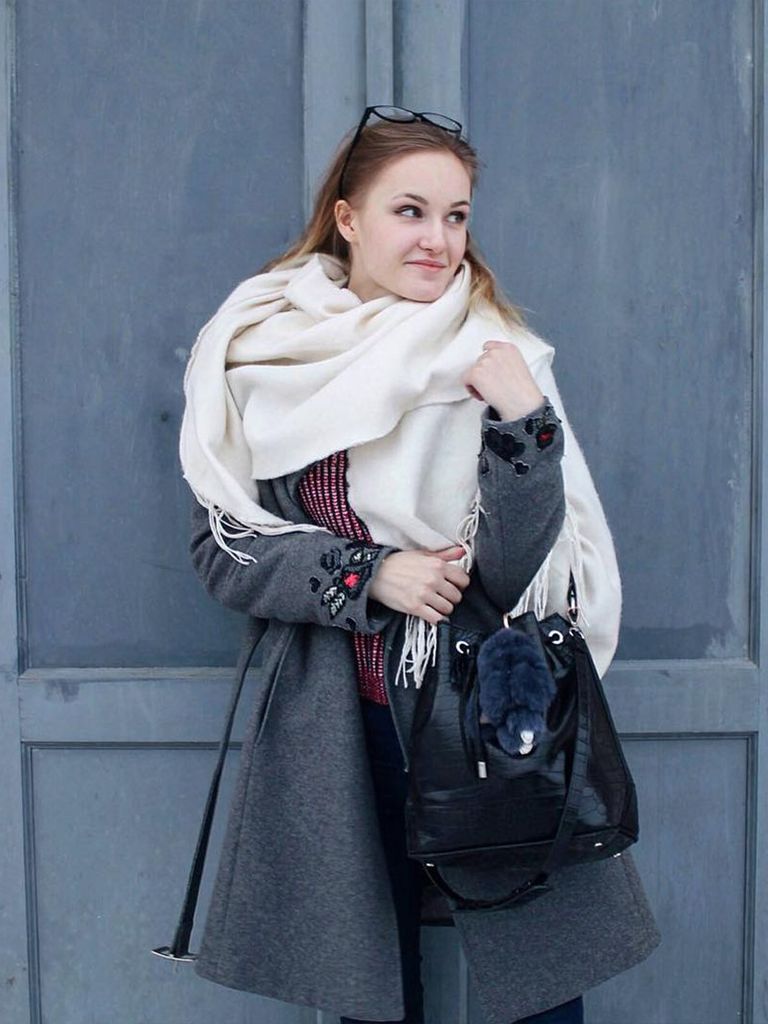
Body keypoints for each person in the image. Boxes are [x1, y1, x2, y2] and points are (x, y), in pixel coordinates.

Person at [176, 106, 661, 1024]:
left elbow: (517, 573)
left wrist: (524, 427)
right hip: (338, 730)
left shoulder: (493, 355)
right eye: (410, 211)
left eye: (456, 215)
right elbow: (224, 552)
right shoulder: (261, 355)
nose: (439, 239)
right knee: (369, 997)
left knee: (542, 999)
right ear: (348, 219)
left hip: (488, 717)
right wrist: (366, 575)